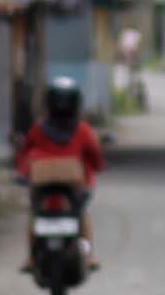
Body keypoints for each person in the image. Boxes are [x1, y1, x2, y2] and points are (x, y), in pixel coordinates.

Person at [16, 76, 105, 266]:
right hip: (75, 188)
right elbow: (96, 160)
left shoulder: (38, 129)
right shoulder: (82, 130)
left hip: (42, 187)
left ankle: (31, 258)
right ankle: (88, 255)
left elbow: (23, 155)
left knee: (35, 215)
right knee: (82, 216)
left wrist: (22, 174)